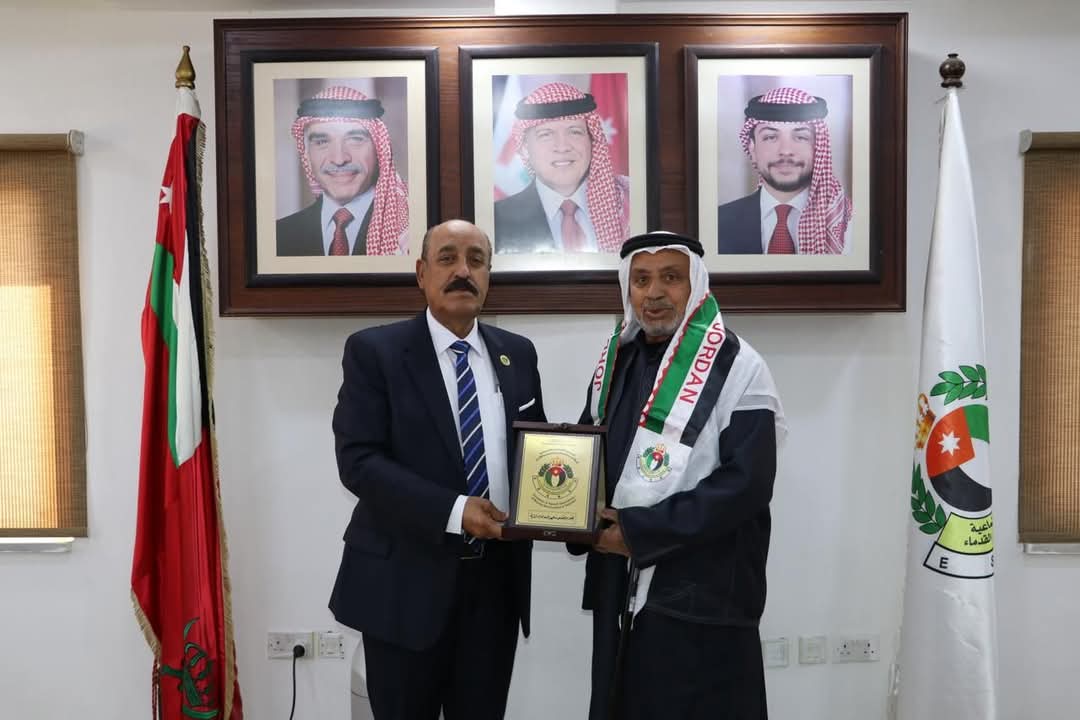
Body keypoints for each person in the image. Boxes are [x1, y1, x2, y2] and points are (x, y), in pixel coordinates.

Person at [329, 219, 546, 719]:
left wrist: (572, 501)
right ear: (422, 273)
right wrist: (455, 510)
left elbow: (535, 453)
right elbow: (358, 461)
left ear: (488, 276)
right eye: (447, 258)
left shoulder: (518, 353)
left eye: (476, 260)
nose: (462, 271)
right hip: (402, 587)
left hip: (495, 587)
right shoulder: (375, 352)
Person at [573, 230, 786, 719]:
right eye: (641, 280)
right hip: (620, 588)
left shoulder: (740, 367)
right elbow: (590, 453)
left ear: (696, 285)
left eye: (671, 277)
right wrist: (566, 515)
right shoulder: (615, 362)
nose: (654, 293)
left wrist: (639, 532)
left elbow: (747, 485)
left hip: (700, 594)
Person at [493, 81, 630, 254]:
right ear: (525, 148)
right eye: (546, 134)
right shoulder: (497, 220)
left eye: (574, 132)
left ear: (592, 141)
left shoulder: (628, 203)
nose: (563, 146)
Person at [717, 86, 853, 255]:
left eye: (801, 137)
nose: (786, 150)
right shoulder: (718, 222)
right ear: (752, 149)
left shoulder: (850, 224)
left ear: (818, 148)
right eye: (770, 137)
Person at [277, 85, 409, 256]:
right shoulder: (280, 236)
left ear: (379, 149)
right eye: (322, 142)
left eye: (355, 139)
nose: (339, 159)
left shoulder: (408, 231)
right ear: (307, 155)